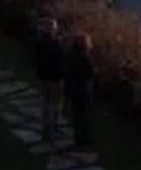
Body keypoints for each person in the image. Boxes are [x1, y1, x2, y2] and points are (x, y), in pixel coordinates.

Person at [28, 16, 66, 145]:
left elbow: (35, 58)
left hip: (43, 77)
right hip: (55, 78)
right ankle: (53, 127)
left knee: (45, 103)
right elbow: (62, 61)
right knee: (55, 105)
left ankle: (45, 129)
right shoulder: (58, 44)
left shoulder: (39, 43)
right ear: (54, 30)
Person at [61, 27, 95, 147]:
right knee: (84, 115)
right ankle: (84, 137)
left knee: (76, 115)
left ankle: (77, 136)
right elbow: (90, 76)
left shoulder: (69, 56)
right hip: (83, 90)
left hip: (72, 89)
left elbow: (66, 72)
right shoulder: (85, 58)